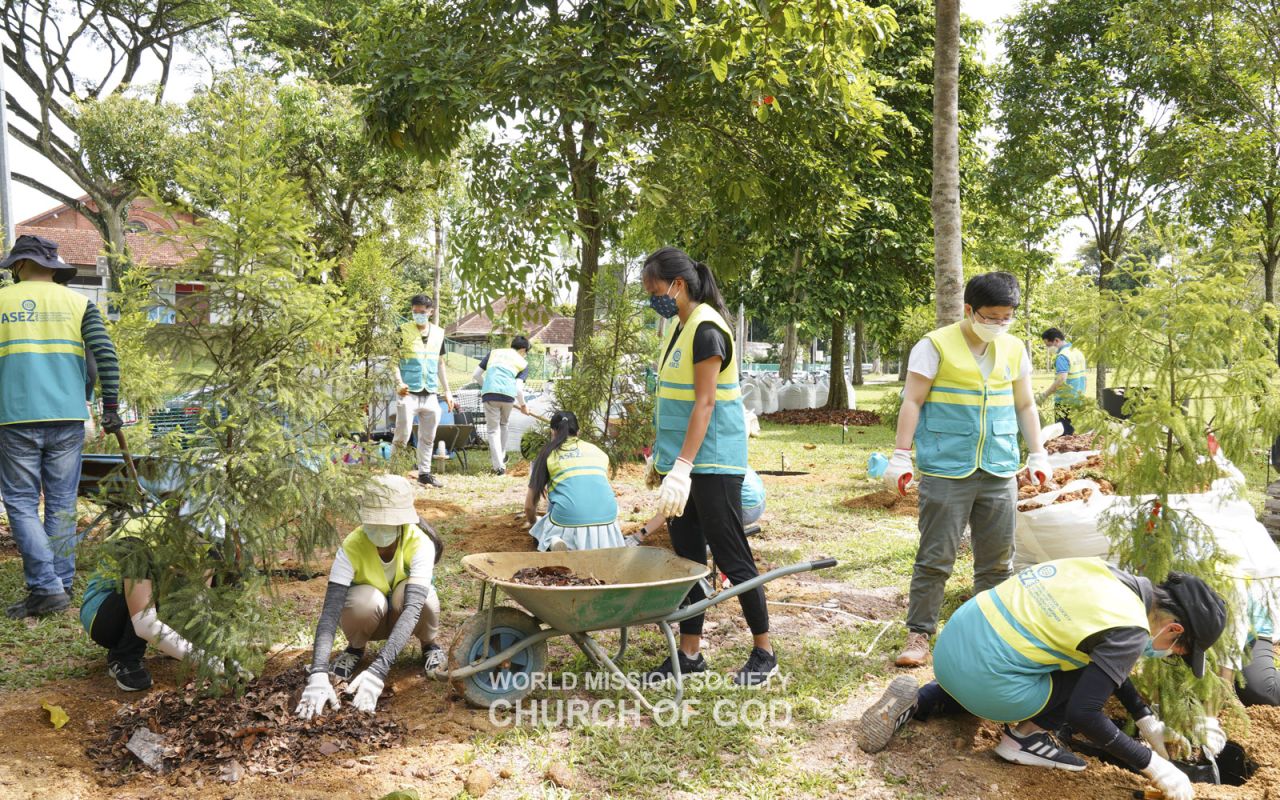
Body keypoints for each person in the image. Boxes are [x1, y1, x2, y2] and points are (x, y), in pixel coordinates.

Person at [859, 558, 1226, 800]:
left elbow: (1109, 666)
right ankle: (1024, 739)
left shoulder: (1108, 575)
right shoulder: (1130, 629)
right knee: (1079, 677)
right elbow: (1085, 712)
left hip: (955, 647)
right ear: (1174, 629)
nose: (1171, 656)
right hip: (991, 679)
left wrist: (1147, 722)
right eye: (1179, 651)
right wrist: (1155, 766)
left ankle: (922, 698)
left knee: (1040, 657)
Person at [884, 271, 1051, 668]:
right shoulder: (934, 346)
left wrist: (1038, 453)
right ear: (969, 309)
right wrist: (900, 455)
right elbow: (913, 402)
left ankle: (987, 637)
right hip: (946, 467)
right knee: (935, 556)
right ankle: (919, 635)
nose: (998, 324)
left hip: (998, 468)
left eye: (1006, 317)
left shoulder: (1014, 349)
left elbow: (1025, 406)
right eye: (991, 316)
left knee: (996, 562)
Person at [643, 246, 774, 687]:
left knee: (734, 557)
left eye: (654, 289)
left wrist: (681, 466)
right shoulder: (678, 327)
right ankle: (690, 654)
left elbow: (705, 402)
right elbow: (675, 401)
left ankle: (764, 652)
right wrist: (663, 461)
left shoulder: (706, 330)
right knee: (688, 560)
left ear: (677, 285)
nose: (651, 297)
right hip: (683, 462)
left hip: (713, 462)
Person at [0, 234, 123, 619]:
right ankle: (62, 582)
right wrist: (110, 406)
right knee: (61, 503)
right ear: (53, 268)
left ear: (19, 266)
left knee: (21, 502)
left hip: (14, 416)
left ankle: (47, 588)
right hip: (68, 417)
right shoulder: (79, 303)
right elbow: (102, 357)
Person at [296, 475, 444, 719]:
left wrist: (379, 670)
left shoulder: (420, 543)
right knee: (363, 601)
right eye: (374, 523)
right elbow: (331, 611)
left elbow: (414, 607)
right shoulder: (352, 545)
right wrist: (318, 673)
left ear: (402, 521)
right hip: (372, 613)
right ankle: (355, 650)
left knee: (423, 597)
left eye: (387, 523)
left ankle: (429, 645)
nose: (380, 529)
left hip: (404, 612)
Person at [79, 503, 227, 691]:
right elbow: (144, 623)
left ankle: (175, 645)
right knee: (149, 590)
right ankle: (124, 657)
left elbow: (200, 603)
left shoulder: (206, 542)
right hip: (104, 615)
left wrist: (210, 649)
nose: (204, 545)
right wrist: (206, 661)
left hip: (154, 601)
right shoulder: (134, 539)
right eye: (200, 537)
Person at [523, 411, 624, 551]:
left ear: (552, 432)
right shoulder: (597, 451)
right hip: (608, 520)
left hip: (568, 519)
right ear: (579, 431)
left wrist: (533, 523)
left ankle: (553, 541)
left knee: (542, 528)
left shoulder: (547, 454)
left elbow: (529, 506)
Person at [393, 294, 456, 488]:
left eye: (422, 312)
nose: (418, 315)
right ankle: (394, 473)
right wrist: (399, 382)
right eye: (415, 312)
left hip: (430, 393)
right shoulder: (402, 330)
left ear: (431, 312)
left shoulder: (438, 333)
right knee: (402, 435)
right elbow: (393, 360)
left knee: (428, 437)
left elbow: (440, 363)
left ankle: (424, 473)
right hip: (408, 392)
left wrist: (447, 391)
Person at [630, 466, 765, 546]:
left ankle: (710, 539)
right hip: (760, 502)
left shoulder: (687, 471)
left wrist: (641, 534)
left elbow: (667, 511)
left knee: (689, 508)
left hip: (746, 509)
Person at [473, 335, 530, 475]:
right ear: (523, 350)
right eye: (526, 352)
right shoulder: (522, 362)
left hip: (490, 394)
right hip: (508, 396)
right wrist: (523, 405)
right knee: (503, 425)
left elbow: (476, 375)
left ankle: (499, 466)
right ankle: (501, 459)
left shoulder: (494, 353)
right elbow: (518, 388)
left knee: (493, 431)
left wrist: (486, 386)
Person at [1037, 328, 1087, 436]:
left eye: (1048, 345)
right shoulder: (1077, 351)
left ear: (1056, 341)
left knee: (1065, 437)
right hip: (1080, 399)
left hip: (1065, 403)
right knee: (1076, 436)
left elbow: (1061, 380)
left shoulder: (1062, 356)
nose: (1048, 348)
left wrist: (1044, 395)